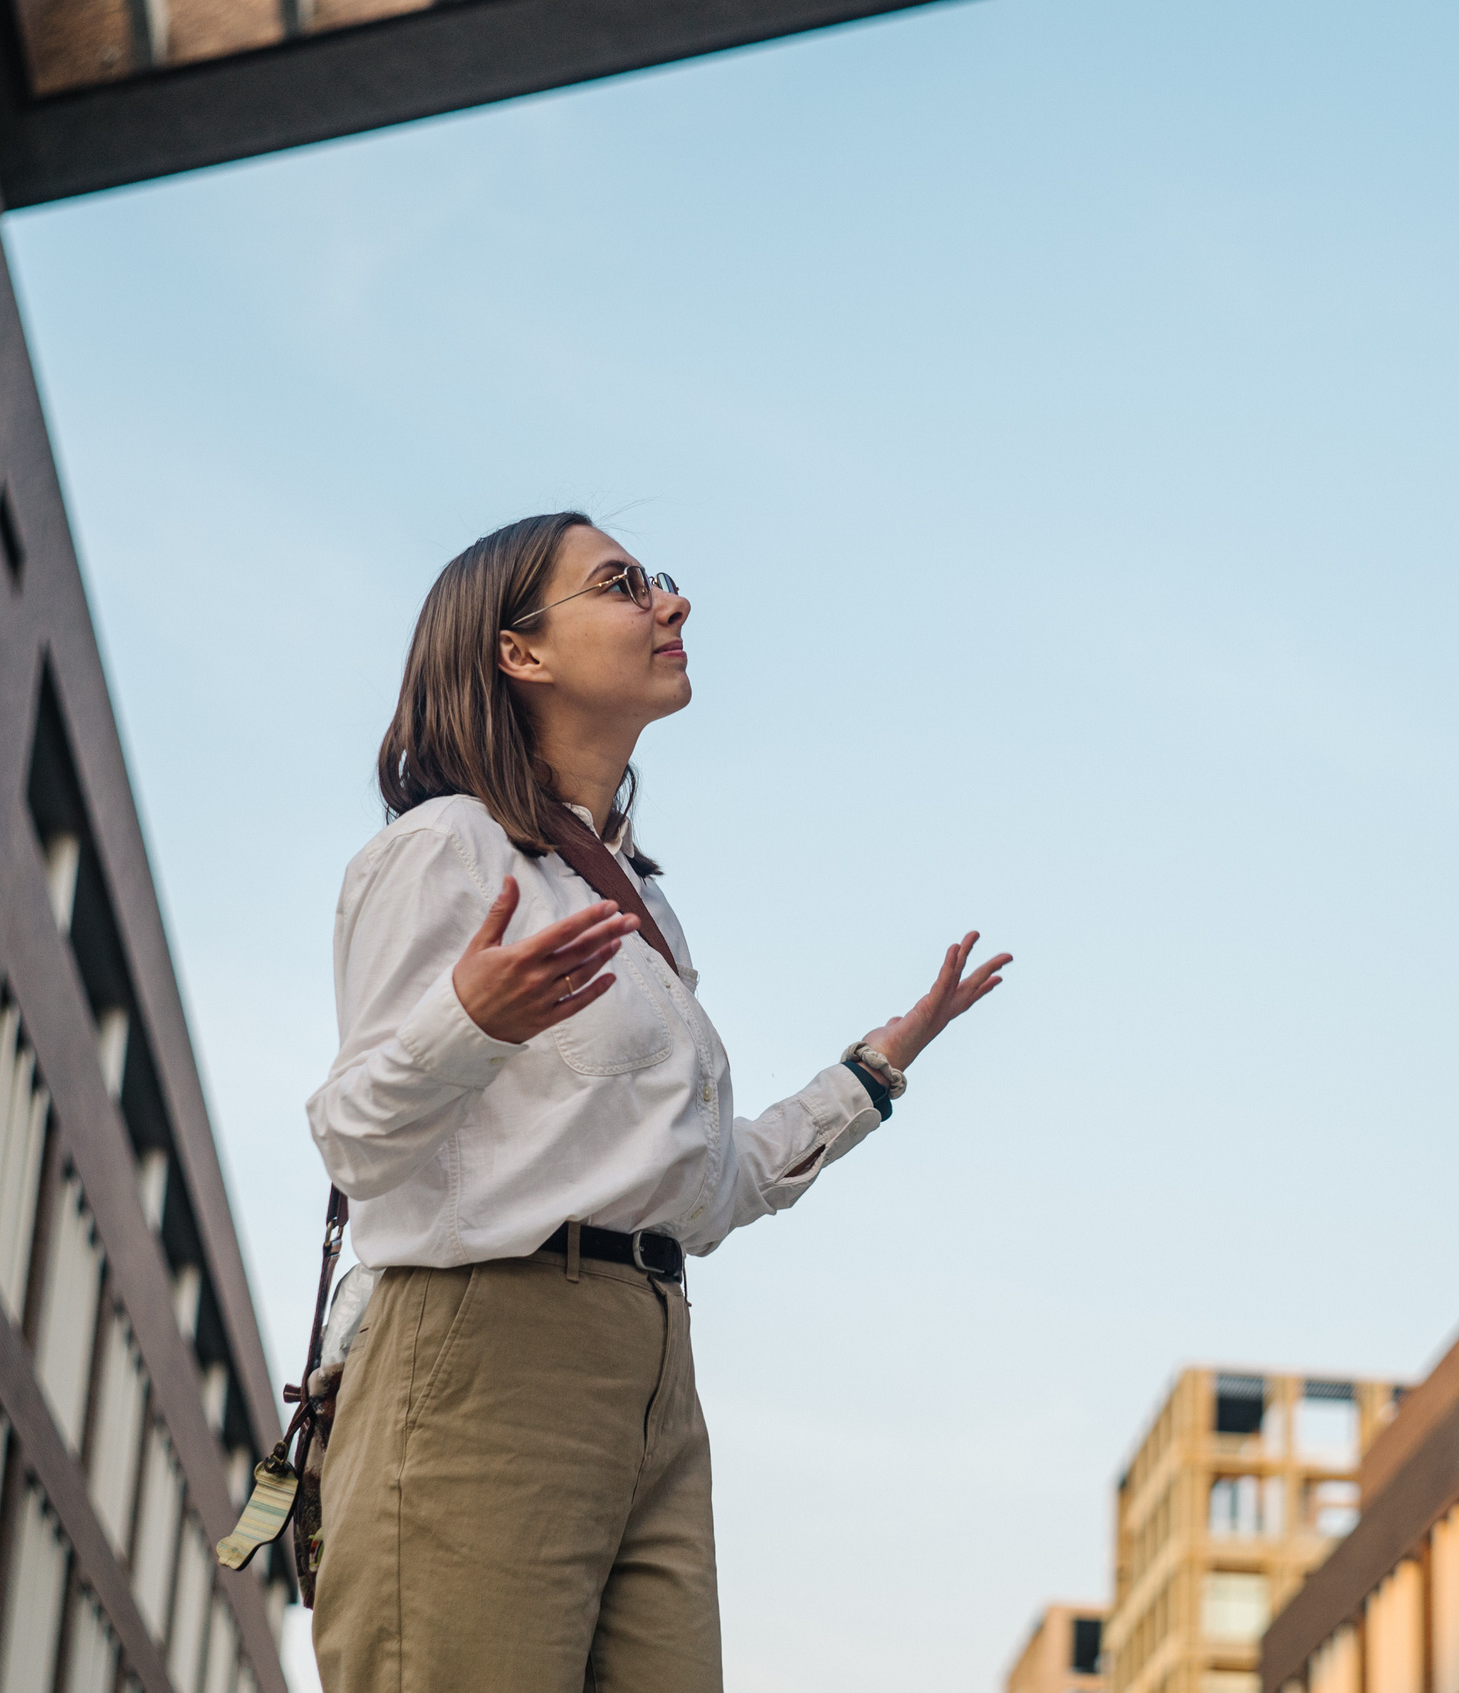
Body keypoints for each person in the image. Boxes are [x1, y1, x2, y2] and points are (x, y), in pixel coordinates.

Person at [305, 511, 1009, 1692]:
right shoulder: (447, 851)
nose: (671, 605)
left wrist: (873, 1072)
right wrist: (468, 1023)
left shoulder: (639, 909)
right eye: (622, 585)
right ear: (517, 652)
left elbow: (699, 1186)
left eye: (659, 582)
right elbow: (354, 1137)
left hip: (652, 1367)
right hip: (487, 1352)